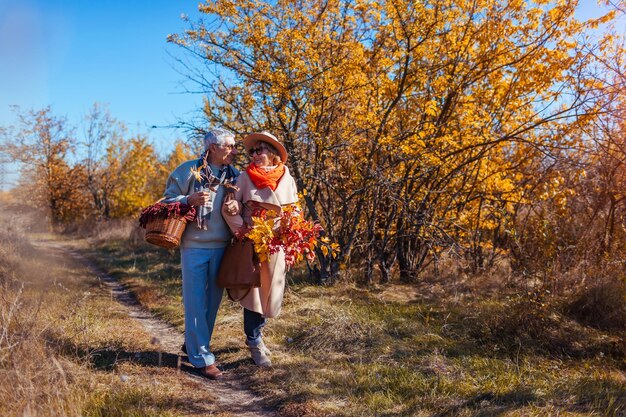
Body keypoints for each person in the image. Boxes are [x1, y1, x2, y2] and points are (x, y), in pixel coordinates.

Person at [163, 128, 239, 379]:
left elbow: (244, 205)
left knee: (211, 305)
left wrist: (236, 205)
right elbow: (165, 201)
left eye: (234, 146)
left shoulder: (234, 175)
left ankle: (193, 344)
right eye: (229, 146)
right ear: (213, 148)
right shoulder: (189, 170)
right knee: (195, 302)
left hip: (222, 246)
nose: (234, 150)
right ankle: (202, 358)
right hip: (194, 245)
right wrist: (188, 199)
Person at [222, 131, 298, 367]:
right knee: (254, 296)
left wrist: (293, 239)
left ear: (273, 153)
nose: (254, 155)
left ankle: (258, 337)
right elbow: (228, 209)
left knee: (270, 296)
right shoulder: (244, 178)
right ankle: (254, 342)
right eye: (251, 152)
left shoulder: (287, 177)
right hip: (253, 245)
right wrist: (242, 230)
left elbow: (295, 211)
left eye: (259, 150)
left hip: (277, 245)